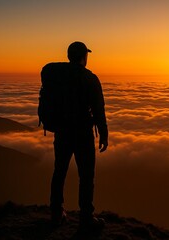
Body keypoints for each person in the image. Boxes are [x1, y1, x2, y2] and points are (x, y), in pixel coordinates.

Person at [47, 41, 108, 229]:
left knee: (59, 172)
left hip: (62, 132)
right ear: (84, 56)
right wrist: (104, 134)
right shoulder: (89, 78)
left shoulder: (57, 76)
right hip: (82, 133)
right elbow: (98, 109)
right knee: (86, 176)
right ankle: (86, 218)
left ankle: (57, 213)